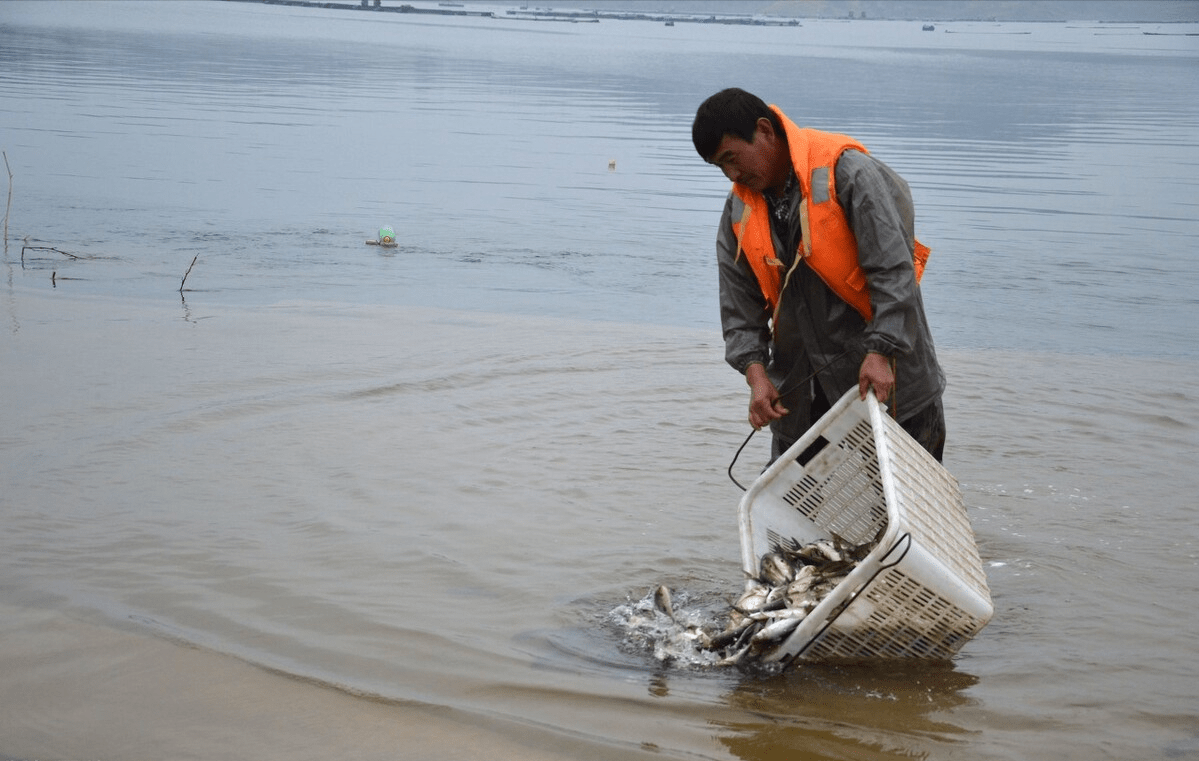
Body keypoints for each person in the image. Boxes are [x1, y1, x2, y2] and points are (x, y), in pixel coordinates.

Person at [692, 88, 947, 463]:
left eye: (732, 158)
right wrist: (756, 374)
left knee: (908, 510)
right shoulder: (738, 210)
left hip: (888, 381)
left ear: (765, 131)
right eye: (720, 166)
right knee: (794, 510)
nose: (732, 174)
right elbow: (738, 305)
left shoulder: (848, 174)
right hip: (801, 395)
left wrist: (881, 351)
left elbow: (895, 272)